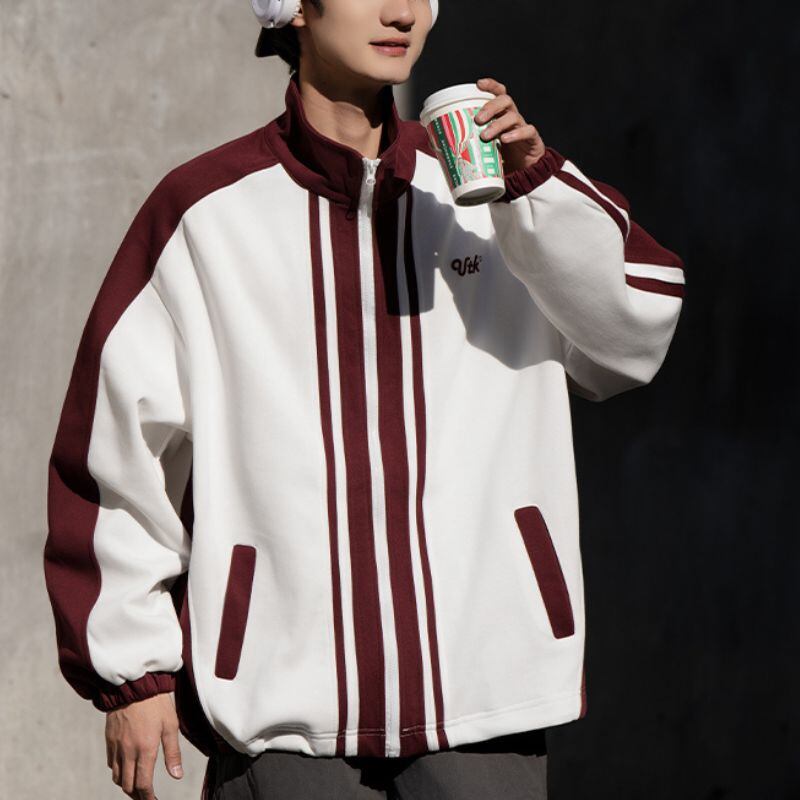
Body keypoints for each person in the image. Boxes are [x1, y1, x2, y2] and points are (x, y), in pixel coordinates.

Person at [42, 0, 686, 798]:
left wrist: (535, 187)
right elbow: (113, 455)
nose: (400, 11)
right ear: (294, 9)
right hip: (282, 708)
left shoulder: (495, 193)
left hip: (484, 700)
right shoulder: (206, 213)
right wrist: (133, 671)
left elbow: (636, 332)